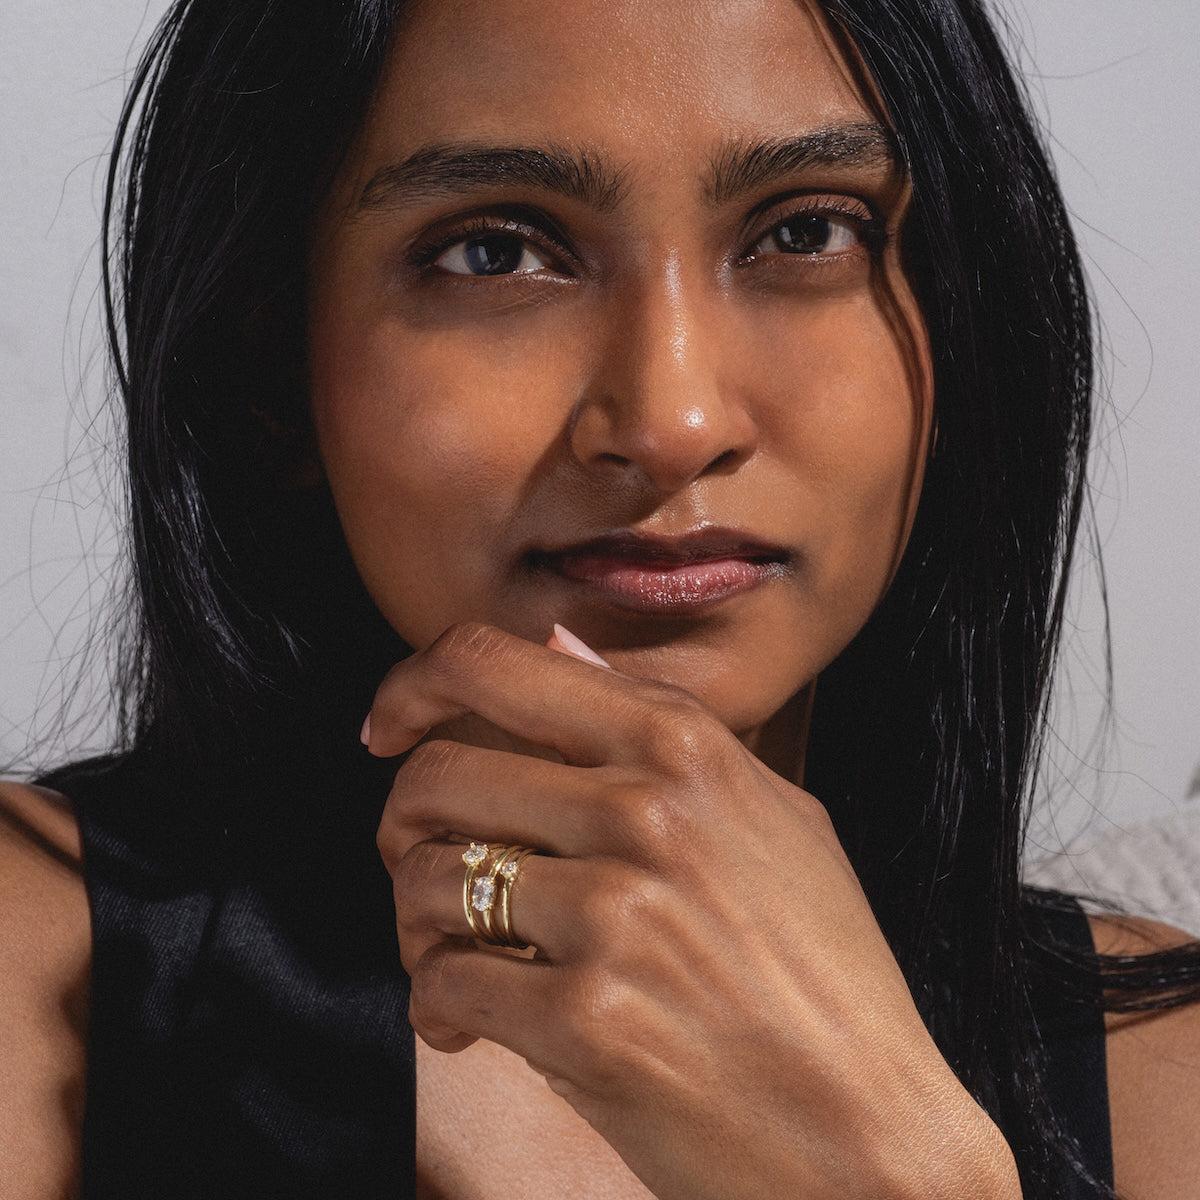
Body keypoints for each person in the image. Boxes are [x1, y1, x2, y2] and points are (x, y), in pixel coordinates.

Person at [2, 0, 1199, 1196]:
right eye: (495, 252)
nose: (673, 422)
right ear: (270, 370)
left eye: (805, 233)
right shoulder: (37, 961)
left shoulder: (1165, 1071)